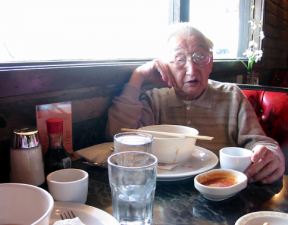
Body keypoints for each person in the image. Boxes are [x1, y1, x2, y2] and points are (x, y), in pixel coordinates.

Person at [106, 22, 285, 184]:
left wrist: (271, 155)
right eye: (180, 59)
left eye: (200, 57)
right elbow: (118, 140)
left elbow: (260, 142)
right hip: (165, 194)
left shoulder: (231, 96)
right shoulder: (154, 100)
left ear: (211, 62)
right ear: (166, 66)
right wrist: (138, 76)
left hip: (221, 189)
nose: (192, 70)